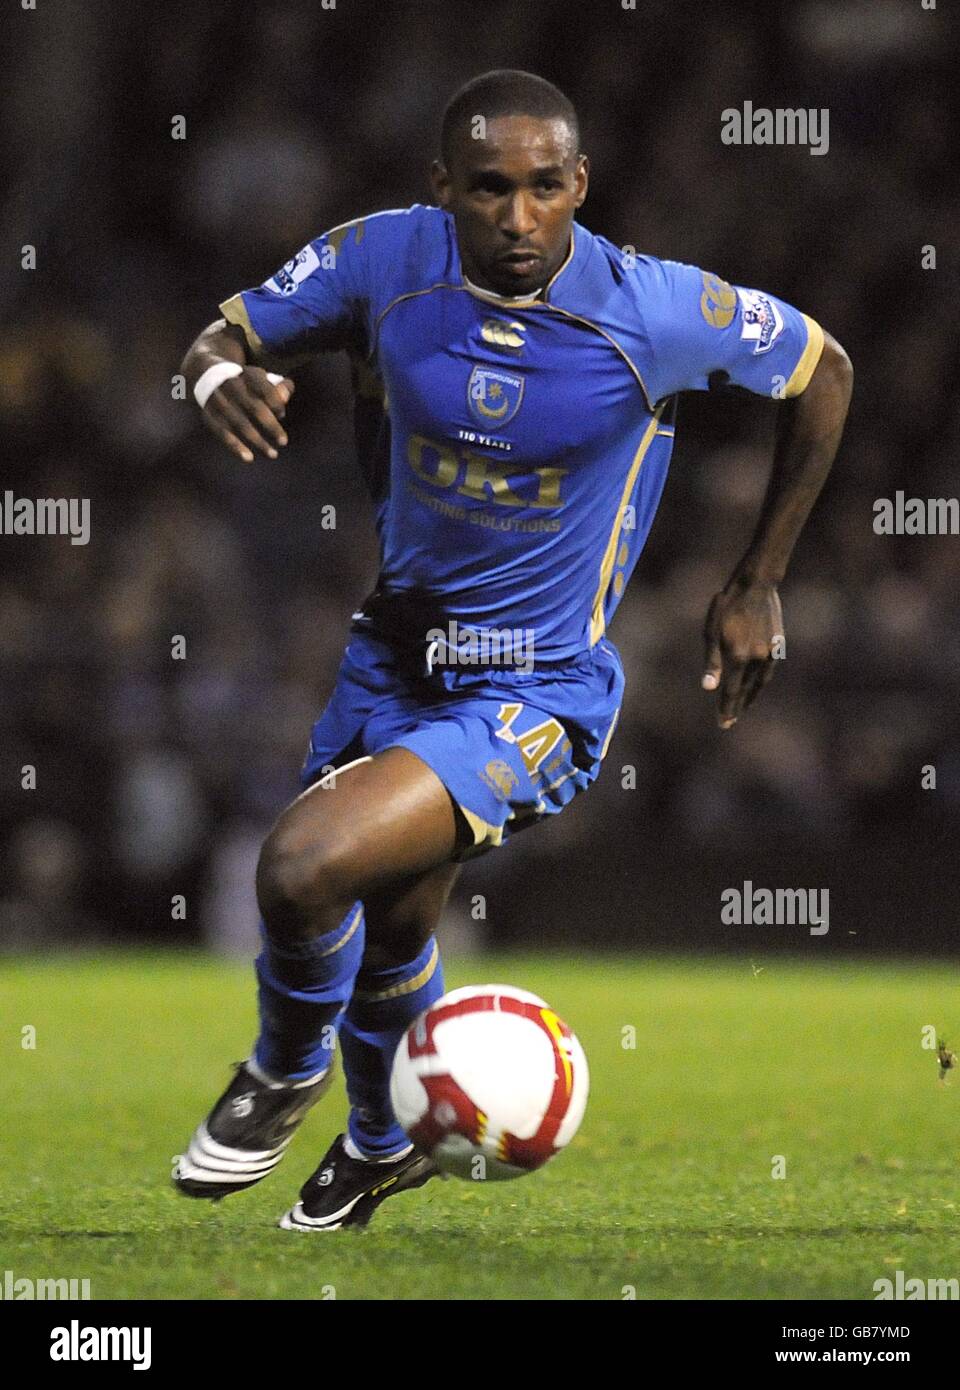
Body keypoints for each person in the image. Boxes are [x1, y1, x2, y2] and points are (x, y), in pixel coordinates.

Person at [172, 69, 853, 1231]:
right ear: (446, 190)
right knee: (391, 926)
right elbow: (221, 335)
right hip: (391, 660)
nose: (520, 216)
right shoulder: (383, 263)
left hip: (537, 691)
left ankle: (287, 1068)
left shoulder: (651, 309)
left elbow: (822, 369)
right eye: (491, 189)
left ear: (580, 184)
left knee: (299, 868)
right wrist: (217, 374)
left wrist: (758, 579)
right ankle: (384, 1142)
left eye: (546, 188)